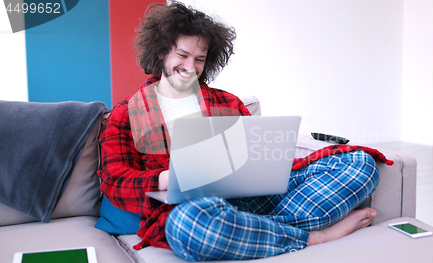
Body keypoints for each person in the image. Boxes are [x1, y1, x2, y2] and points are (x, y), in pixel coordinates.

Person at [98, 2, 384, 261]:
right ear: (161, 52)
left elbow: (256, 158)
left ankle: (246, 232)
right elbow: (114, 181)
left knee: (361, 163)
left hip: (248, 200)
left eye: (199, 59)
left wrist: (271, 162)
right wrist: (166, 178)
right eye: (182, 55)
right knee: (192, 224)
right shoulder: (127, 113)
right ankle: (313, 236)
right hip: (192, 209)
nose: (190, 67)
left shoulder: (228, 103)